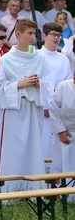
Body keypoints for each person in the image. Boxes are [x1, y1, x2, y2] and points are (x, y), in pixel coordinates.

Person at [0, 19, 53, 192]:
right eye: (29, 33)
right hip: (14, 108)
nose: (33, 37)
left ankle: (35, 187)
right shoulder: (6, 60)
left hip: (33, 108)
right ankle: (11, 189)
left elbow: (50, 83)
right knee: (13, 150)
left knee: (34, 147)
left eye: (34, 33)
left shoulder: (40, 59)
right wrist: (19, 84)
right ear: (18, 34)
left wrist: (38, 83)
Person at [39, 22, 72, 161]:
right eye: (53, 34)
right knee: (42, 145)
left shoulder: (63, 59)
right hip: (41, 110)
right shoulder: (36, 56)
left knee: (57, 152)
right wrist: (45, 106)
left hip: (59, 110)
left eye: (59, 35)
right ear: (44, 35)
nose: (56, 38)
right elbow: (35, 83)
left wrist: (55, 109)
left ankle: (57, 180)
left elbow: (67, 85)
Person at [51, 76, 75, 175]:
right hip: (65, 134)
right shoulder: (64, 86)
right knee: (62, 168)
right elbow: (53, 108)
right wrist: (61, 130)